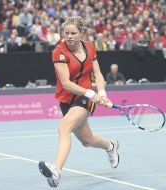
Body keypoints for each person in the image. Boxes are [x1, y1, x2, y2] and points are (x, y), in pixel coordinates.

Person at [38, 17, 119, 188]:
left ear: (81, 33)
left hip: (84, 99)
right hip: (68, 99)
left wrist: (102, 92)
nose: (69, 36)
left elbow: (97, 74)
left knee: (63, 127)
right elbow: (66, 83)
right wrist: (91, 92)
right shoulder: (59, 52)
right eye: (66, 33)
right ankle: (110, 146)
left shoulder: (89, 47)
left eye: (73, 33)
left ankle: (56, 171)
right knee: (87, 140)